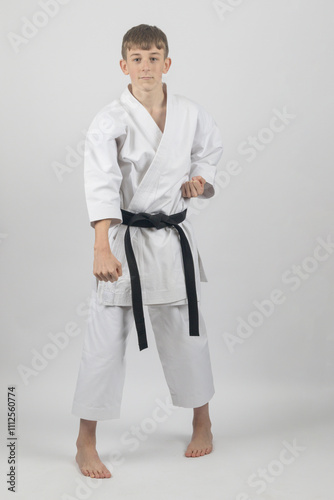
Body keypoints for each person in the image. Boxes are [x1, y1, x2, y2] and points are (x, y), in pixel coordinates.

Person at [71, 24, 223, 479]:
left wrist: (200, 181)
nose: (146, 66)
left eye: (154, 57)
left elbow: (208, 153)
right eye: (137, 58)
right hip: (126, 242)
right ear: (124, 66)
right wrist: (101, 246)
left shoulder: (190, 113)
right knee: (103, 339)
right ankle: (85, 440)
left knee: (186, 332)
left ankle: (203, 421)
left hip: (172, 240)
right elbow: (100, 184)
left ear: (167, 63)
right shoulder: (109, 120)